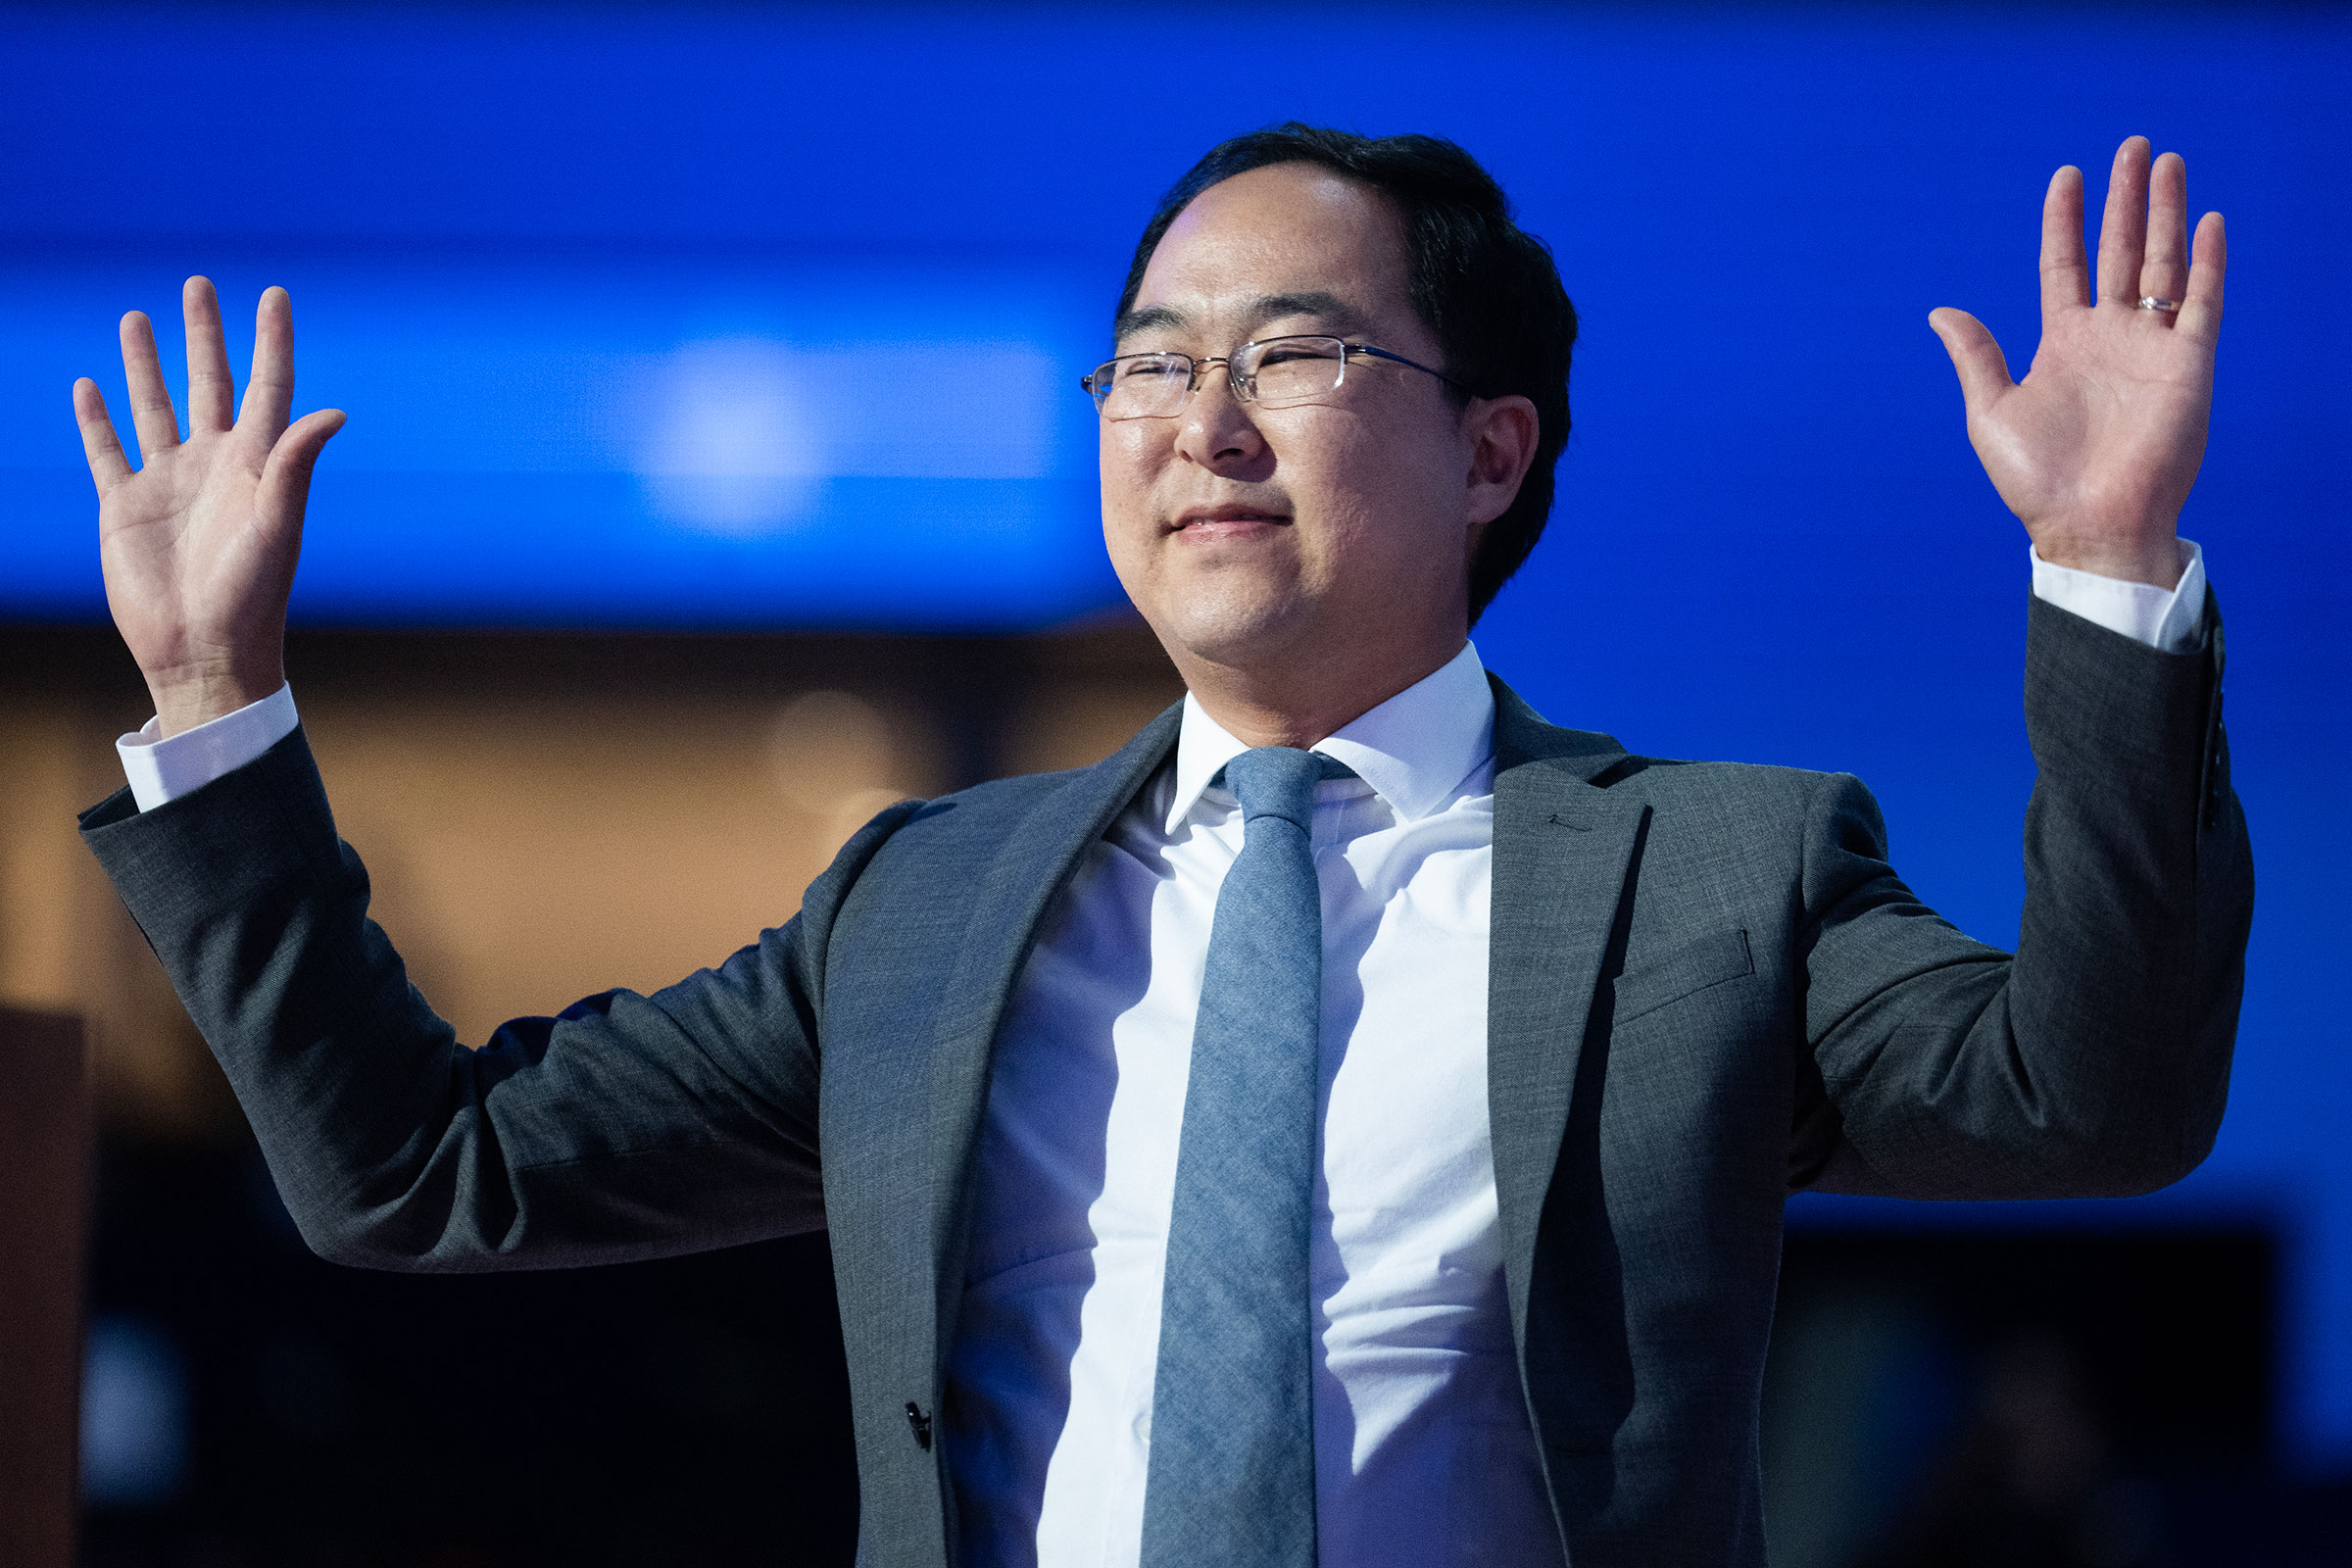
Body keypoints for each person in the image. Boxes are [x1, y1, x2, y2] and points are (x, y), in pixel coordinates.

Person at [70, 125, 2249, 1568]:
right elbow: (420, 1174)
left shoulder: (1710, 874)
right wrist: (213, 707)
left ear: (1493, 448)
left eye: (1292, 354)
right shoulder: (925, 902)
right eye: (1144, 364)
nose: (1197, 422)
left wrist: (2107, 560)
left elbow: (2098, 1093)